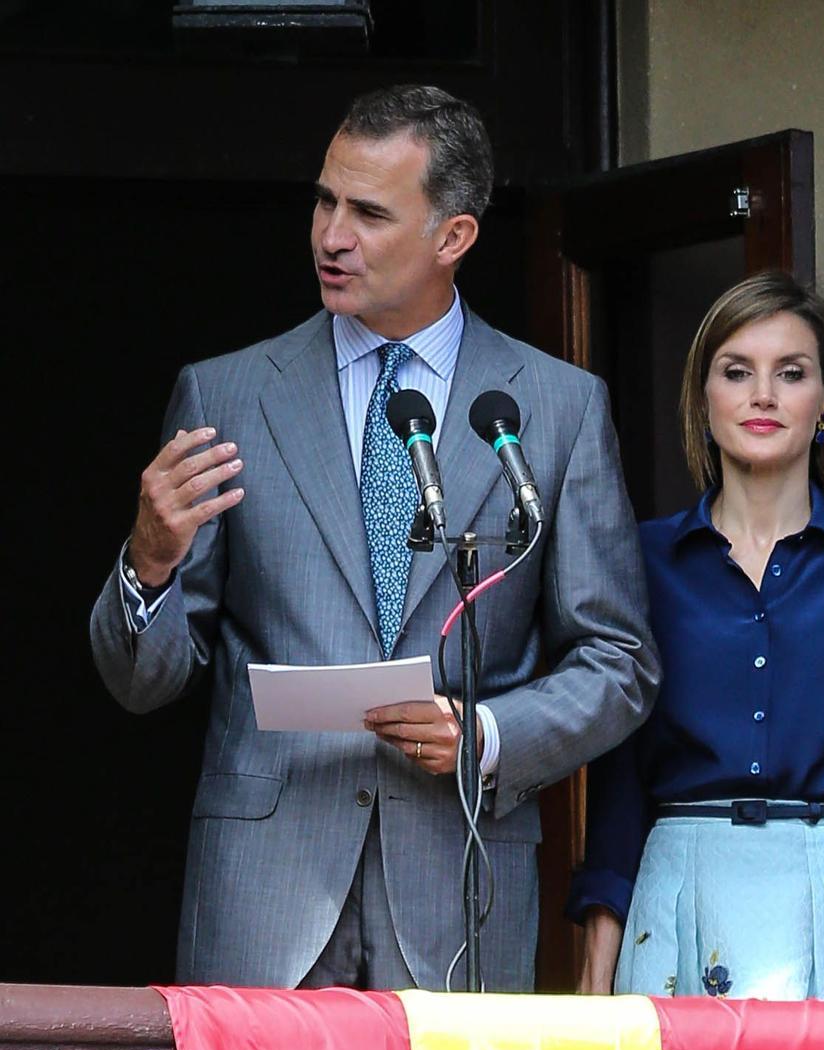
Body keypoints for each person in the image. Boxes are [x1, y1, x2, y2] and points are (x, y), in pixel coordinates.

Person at [90, 84, 659, 993]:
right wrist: (147, 560)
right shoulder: (230, 394)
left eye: (368, 211)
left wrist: (489, 732)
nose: (330, 235)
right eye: (324, 200)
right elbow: (142, 678)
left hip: (459, 887)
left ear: (454, 237)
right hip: (265, 897)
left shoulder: (555, 409)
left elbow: (619, 658)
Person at [568, 271, 824, 1004]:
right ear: (702, 396)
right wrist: (596, 972)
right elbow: (618, 780)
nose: (763, 395)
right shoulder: (638, 560)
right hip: (679, 890)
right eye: (736, 372)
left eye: (792, 373)